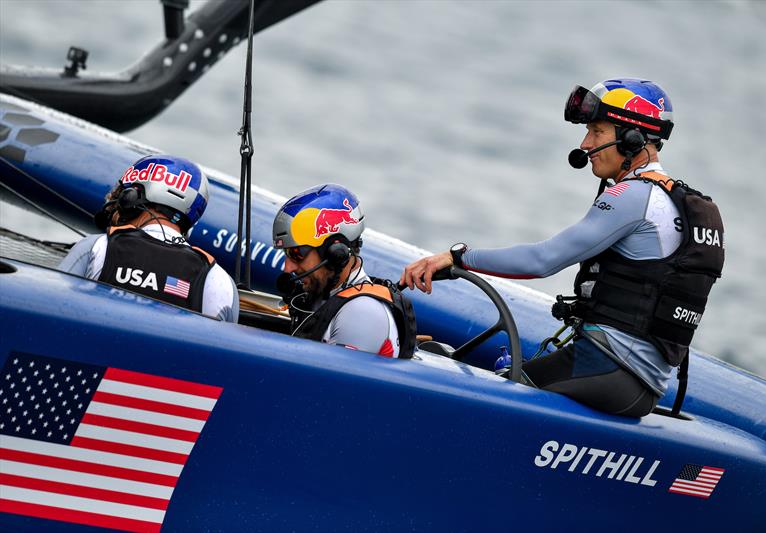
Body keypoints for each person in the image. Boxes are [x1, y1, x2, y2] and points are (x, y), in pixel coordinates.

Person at [402, 78, 724, 417]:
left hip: (604, 368)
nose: (585, 144)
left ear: (633, 139)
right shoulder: (674, 202)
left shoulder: (633, 197)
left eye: (597, 132)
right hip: (639, 385)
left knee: (450, 370)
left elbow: (542, 260)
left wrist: (457, 257)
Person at [59, 154, 239, 322]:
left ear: (131, 198)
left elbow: (55, 307)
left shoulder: (95, 248)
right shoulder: (219, 282)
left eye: (121, 193)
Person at [272, 183, 416, 357]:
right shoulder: (321, 296)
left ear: (335, 253)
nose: (288, 268)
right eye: (287, 253)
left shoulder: (362, 313)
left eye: (296, 253)